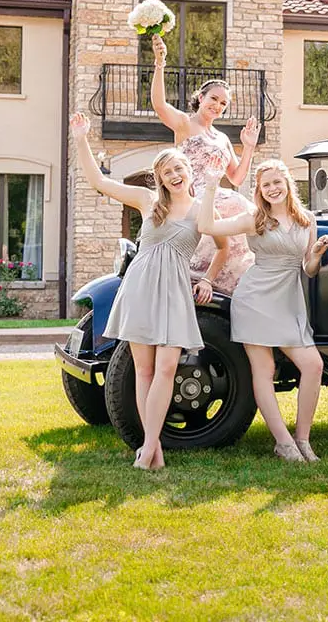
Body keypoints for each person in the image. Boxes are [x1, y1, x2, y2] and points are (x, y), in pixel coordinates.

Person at [70, 111, 227, 470]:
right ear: (159, 179)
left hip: (175, 290)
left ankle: (150, 447)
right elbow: (98, 180)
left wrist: (206, 280)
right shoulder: (147, 201)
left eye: (178, 169)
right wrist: (81, 138)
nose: (174, 175)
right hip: (140, 286)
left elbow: (222, 247)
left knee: (168, 366)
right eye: (166, 172)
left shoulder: (204, 208)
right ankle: (149, 447)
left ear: (189, 171)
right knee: (144, 370)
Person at [198, 159, 328, 463]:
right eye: (265, 185)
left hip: (289, 302)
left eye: (276, 182)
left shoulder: (306, 220)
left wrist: (316, 254)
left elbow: (308, 270)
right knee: (264, 370)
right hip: (256, 300)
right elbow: (207, 226)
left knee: (313, 366)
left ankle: (303, 439)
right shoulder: (254, 218)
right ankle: (283, 443)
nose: (272, 189)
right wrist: (210, 186)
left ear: (288, 184)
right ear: (259, 190)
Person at [149, 34, 258, 294]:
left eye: (223, 103)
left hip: (218, 201)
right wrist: (160, 64)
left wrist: (249, 146)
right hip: (192, 198)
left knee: (251, 214)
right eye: (214, 99)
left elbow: (237, 178)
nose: (217, 105)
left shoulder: (222, 138)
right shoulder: (186, 124)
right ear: (200, 97)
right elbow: (159, 104)